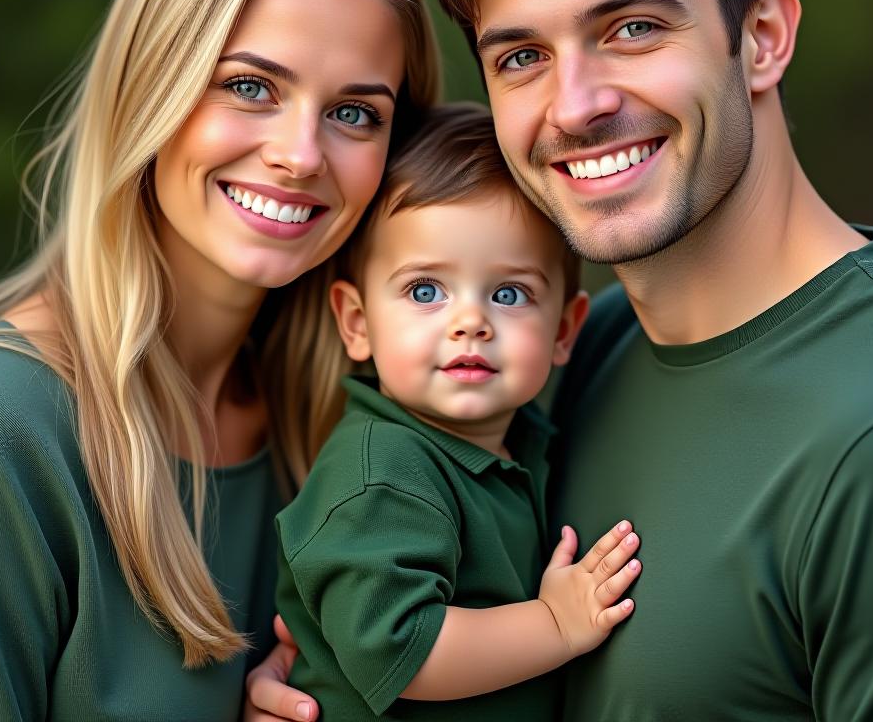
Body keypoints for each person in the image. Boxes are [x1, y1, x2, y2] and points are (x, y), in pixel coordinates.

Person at [423, 0, 873, 719]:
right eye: (521, 58)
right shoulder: (569, 357)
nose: (575, 106)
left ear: (761, 36)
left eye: (631, 28)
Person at [0, 0, 440, 721]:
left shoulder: (347, 429)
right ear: (151, 84)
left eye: (355, 112)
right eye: (250, 86)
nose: (299, 154)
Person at [273, 103, 642, 720]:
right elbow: (401, 649)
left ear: (563, 330)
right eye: (425, 291)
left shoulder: (523, 442)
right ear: (357, 324)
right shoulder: (383, 469)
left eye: (508, 294)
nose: (470, 322)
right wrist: (555, 621)